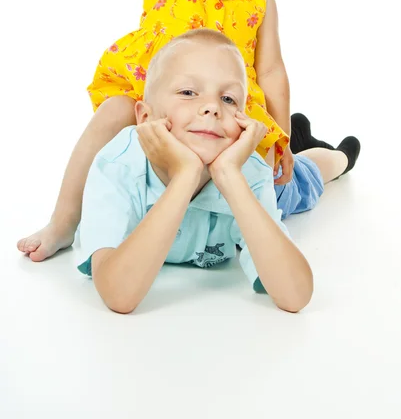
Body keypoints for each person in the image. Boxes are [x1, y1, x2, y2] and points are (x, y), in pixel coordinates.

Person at [16, 0, 352, 262]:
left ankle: (331, 156)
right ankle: (64, 221)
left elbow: (271, 71)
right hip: (167, 107)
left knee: (296, 182)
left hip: (227, 117)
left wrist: (280, 136)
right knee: (114, 110)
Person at [76, 29, 360, 314]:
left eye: (228, 99)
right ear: (146, 118)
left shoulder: (247, 172)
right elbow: (118, 294)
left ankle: (338, 157)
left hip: (274, 181)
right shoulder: (117, 166)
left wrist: (229, 175)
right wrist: (185, 174)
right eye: (188, 92)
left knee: (301, 181)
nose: (212, 107)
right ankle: (299, 133)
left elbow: (295, 296)